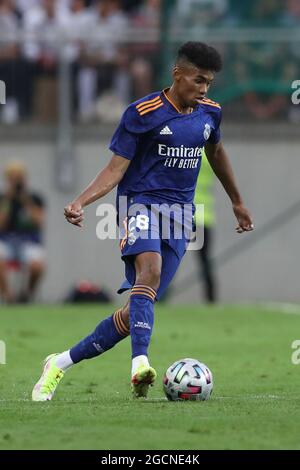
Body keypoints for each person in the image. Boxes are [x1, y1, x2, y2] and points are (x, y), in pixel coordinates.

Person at [32, 41, 253, 401]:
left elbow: (217, 154)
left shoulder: (211, 113)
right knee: (148, 273)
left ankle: (59, 362)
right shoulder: (142, 112)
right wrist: (80, 201)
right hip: (140, 207)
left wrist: (238, 202)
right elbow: (114, 169)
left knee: (134, 310)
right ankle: (140, 365)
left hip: (181, 218)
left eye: (209, 83)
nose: (204, 89)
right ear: (177, 74)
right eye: (198, 80)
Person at [0, 161, 45, 303]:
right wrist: (8, 200)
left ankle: (27, 295)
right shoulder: (3, 199)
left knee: (37, 266)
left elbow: (39, 222)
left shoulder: (34, 199)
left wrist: (25, 201)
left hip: (29, 241)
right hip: (7, 241)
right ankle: (9, 297)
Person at [194, 151, 217, 303]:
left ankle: (159, 296)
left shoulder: (190, 149)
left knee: (170, 256)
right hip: (205, 216)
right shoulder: (211, 154)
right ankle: (211, 298)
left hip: (185, 212)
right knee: (205, 261)